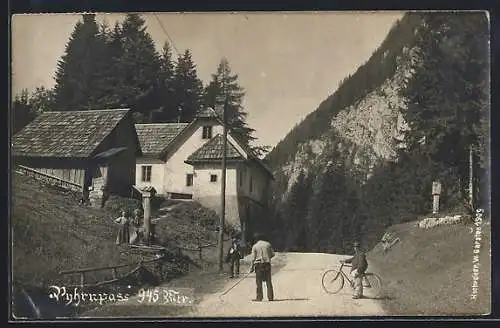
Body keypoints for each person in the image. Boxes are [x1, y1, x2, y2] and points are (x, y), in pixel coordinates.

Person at [248, 232, 275, 302]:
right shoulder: (268, 244)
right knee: (268, 281)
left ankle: (259, 297)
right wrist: (268, 257)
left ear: (256, 239)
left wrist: (251, 268)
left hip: (259, 265)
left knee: (259, 281)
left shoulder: (255, 246)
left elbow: (253, 258)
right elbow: (273, 254)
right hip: (267, 264)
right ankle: (270, 297)